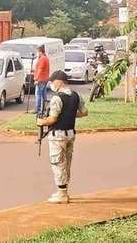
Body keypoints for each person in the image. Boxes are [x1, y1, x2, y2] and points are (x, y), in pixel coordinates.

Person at [36, 71, 88, 204]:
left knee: (58, 163)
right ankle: (63, 191)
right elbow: (84, 112)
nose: (52, 84)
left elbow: (52, 119)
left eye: (53, 81)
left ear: (60, 82)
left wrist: (41, 122)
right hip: (71, 134)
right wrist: (68, 115)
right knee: (67, 162)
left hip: (58, 135)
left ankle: (62, 194)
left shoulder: (57, 98)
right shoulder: (76, 95)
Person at [34, 45, 50, 114]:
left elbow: (40, 69)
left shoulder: (42, 59)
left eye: (37, 52)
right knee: (43, 94)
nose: (37, 53)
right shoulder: (45, 58)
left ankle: (38, 109)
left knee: (38, 94)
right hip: (45, 78)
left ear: (40, 52)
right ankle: (44, 108)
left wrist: (36, 79)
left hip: (41, 79)